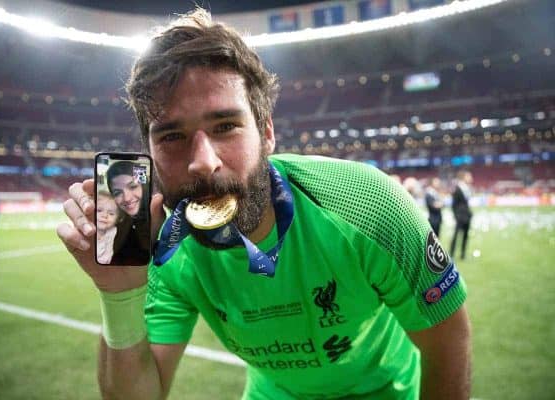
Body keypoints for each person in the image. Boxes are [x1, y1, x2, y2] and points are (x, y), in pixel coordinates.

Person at [57, 9, 471, 400]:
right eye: (171, 136)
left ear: (267, 132)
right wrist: (120, 295)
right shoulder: (163, 253)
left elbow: (447, 337)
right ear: (147, 151)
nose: (203, 161)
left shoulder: (365, 203)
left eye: (225, 126)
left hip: (386, 391)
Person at [105, 161, 150, 265]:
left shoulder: (162, 221)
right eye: (117, 193)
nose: (127, 198)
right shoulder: (118, 227)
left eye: (133, 187)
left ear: (144, 187)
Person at [450, 170, 474, 260]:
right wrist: (456, 215)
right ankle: (451, 254)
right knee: (456, 235)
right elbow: (454, 204)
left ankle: (463, 254)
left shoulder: (467, 188)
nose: (471, 178)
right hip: (460, 216)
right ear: (464, 177)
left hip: (467, 215)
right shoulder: (457, 188)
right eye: (469, 176)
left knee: (465, 236)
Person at [95, 191, 120, 265]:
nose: (104, 215)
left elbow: (107, 258)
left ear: (117, 219)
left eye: (111, 213)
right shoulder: (87, 229)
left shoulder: (113, 232)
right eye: (99, 210)